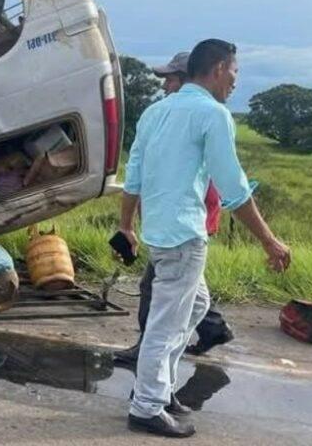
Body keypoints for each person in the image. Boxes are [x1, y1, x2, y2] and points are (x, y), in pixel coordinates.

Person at [119, 39, 290, 438]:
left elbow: (135, 176)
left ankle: (158, 390)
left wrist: (127, 226)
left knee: (196, 305)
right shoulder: (212, 114)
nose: (235, 81)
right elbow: (233, 186)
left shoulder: (155, 112)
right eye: (234, 72)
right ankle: (146, 405)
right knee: (166, 323)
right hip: (183, 237)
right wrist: (270, 241)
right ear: (216, 69)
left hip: (160, 233)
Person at [114, 52, 234, 365]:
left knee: (160, 290)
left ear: (187, 79)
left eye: (170, 78)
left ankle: (149, 361)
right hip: (175, 224)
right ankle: (210, 330)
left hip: (184, 223)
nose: (165, 85)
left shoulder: (196, 117)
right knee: (186, 289)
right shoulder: (171, 116)